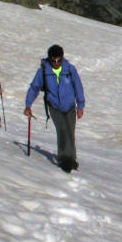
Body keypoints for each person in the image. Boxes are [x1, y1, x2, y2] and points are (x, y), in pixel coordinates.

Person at [24, 44, 85, 172]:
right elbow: (34, 88)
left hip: (69, 106)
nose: (56, 63)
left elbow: (78, 87)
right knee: (62, 130)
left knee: (70, 131)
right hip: (54, 106)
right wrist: (28, 105)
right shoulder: (43, 71)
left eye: (58, 60)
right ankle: (64, 159)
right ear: (50, 59)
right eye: (53, 60)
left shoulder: (70, 69)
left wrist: (80, 106)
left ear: (62, 58)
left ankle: (72, 159)